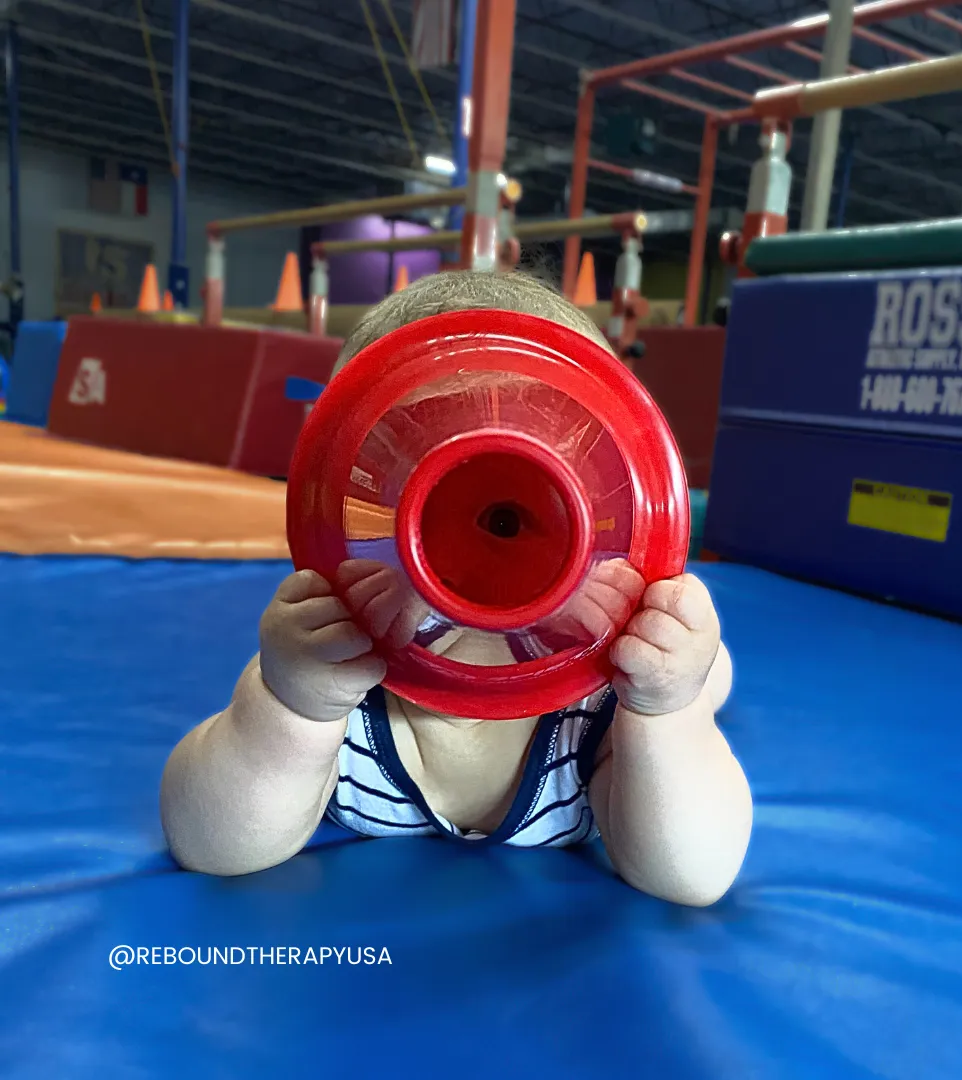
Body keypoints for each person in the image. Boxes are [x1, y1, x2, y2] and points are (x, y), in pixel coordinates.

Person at [160, 270, 752, 907]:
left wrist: (665, 712)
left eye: (524, 512)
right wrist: (289, 709)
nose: (484, 568)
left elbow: (692, 875)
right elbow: (209, 845)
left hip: (611, 655)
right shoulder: (334, 669)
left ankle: (708, 676)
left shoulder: (606, 699)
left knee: (694, 668)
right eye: (440, 504)